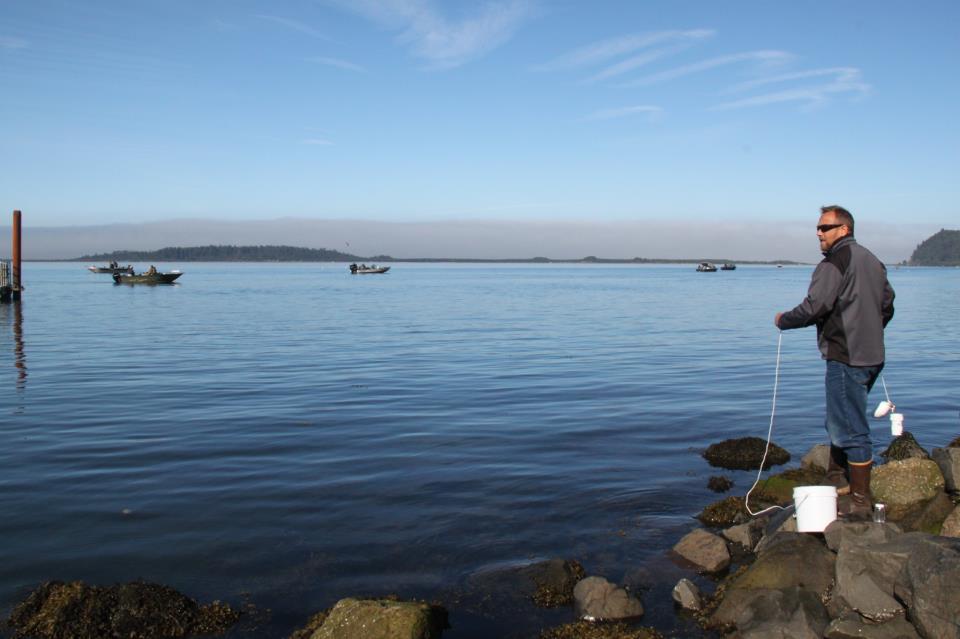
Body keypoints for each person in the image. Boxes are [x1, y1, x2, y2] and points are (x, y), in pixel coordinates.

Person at [775, 205, 895, 519]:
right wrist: (869, 328)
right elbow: (887, 305)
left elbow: (815, 306)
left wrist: (783, 320)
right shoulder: (873, 260)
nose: (818, 233)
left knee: (850, 428)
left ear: (844, 229)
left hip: (847, 356)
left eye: (825, 227)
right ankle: (836, 478)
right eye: (817, 227)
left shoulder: (834, 263)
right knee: (841, 418)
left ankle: (858, 502)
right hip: (873, 355)